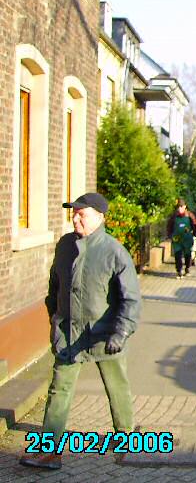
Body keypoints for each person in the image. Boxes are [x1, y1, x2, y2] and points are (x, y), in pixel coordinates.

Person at [20, 193, 141, 470]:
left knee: (117, 387)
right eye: (74, 213)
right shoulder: (65, 245)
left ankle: (127, 439)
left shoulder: (114, 251)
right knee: (59, 389)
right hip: (70, 334)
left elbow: (131, 299)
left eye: (81, 213)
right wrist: (54, 317)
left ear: (100, 217)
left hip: (104, 335)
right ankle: (50, 451)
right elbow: (55, 286)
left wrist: (120, 333)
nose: (75, 217)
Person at [166, 199, 196, 279]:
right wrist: (169, 235)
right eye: (178, 207)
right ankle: (179, 271)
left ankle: (187, 268)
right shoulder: (174, 216)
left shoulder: (190, 215)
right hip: (177, 239)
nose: (179, 208)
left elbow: (195, 226)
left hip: (187, 239)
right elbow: (169, 227)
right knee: (177, 255)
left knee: (187, 255)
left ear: (185, 206)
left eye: (181, 206)